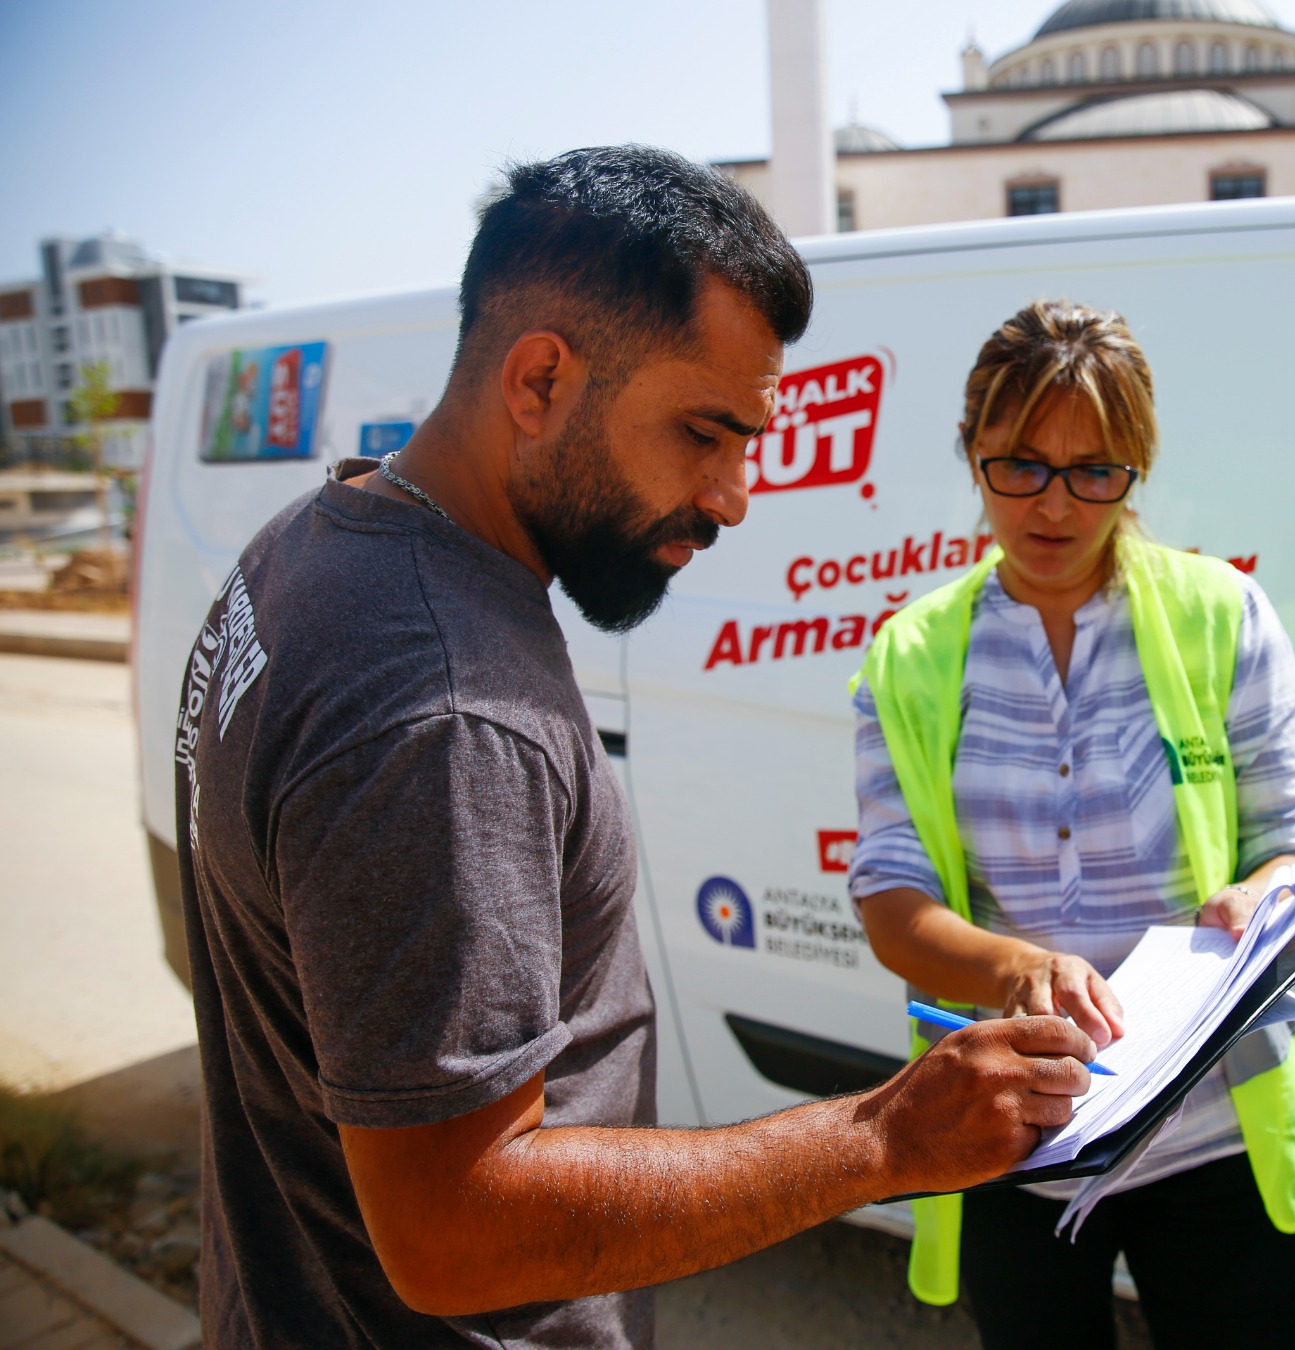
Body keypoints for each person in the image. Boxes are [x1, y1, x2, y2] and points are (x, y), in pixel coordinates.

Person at [173, 148, 1102, 1349]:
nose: (733, 495)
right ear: (541, 378)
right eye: (705, 433)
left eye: (752, 440)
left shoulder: (316, 542)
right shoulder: (449, 709)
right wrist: (883, 1139)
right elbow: (455, 1231)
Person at [848, 300, 1295, 1349]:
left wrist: (1269, 894)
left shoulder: (1222, 614)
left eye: (1095, 470)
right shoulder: (911, 653)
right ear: (971, 454)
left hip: (1217, 1138)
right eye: (1018, 465)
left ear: (1136, 468)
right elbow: (892, 904)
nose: (1055, 505)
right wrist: (1014, 969)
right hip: (1014, 1137)